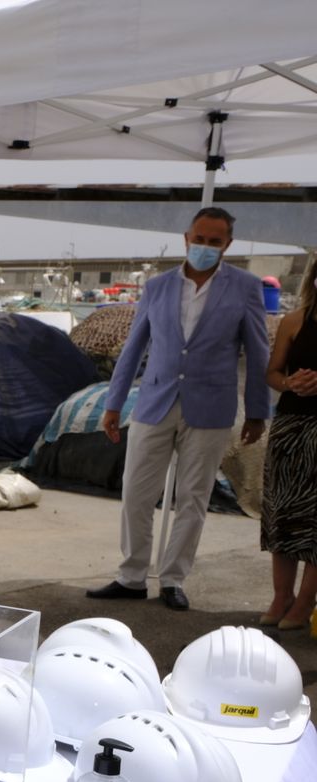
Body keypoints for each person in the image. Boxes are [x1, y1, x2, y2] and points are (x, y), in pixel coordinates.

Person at [89, 206, 271, 611]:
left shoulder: (246, 287)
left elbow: (259, 354)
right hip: (154, 401)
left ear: (227, 245)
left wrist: (258, 412)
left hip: (211, 408)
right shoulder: (157, 287)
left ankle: (173, 579)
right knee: (136, 493)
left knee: (193, 497)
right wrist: (114, 403)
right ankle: (132, 576)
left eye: (214, 242)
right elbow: (134, 347)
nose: (205, 247)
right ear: (186, 239)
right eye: (199, 239)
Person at [258, 258, 317, 630]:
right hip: (291, 428)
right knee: (281, 513)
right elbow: (272, 373)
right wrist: (290, 384)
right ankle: (283, 595)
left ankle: (306, 601)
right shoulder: (295, 320)